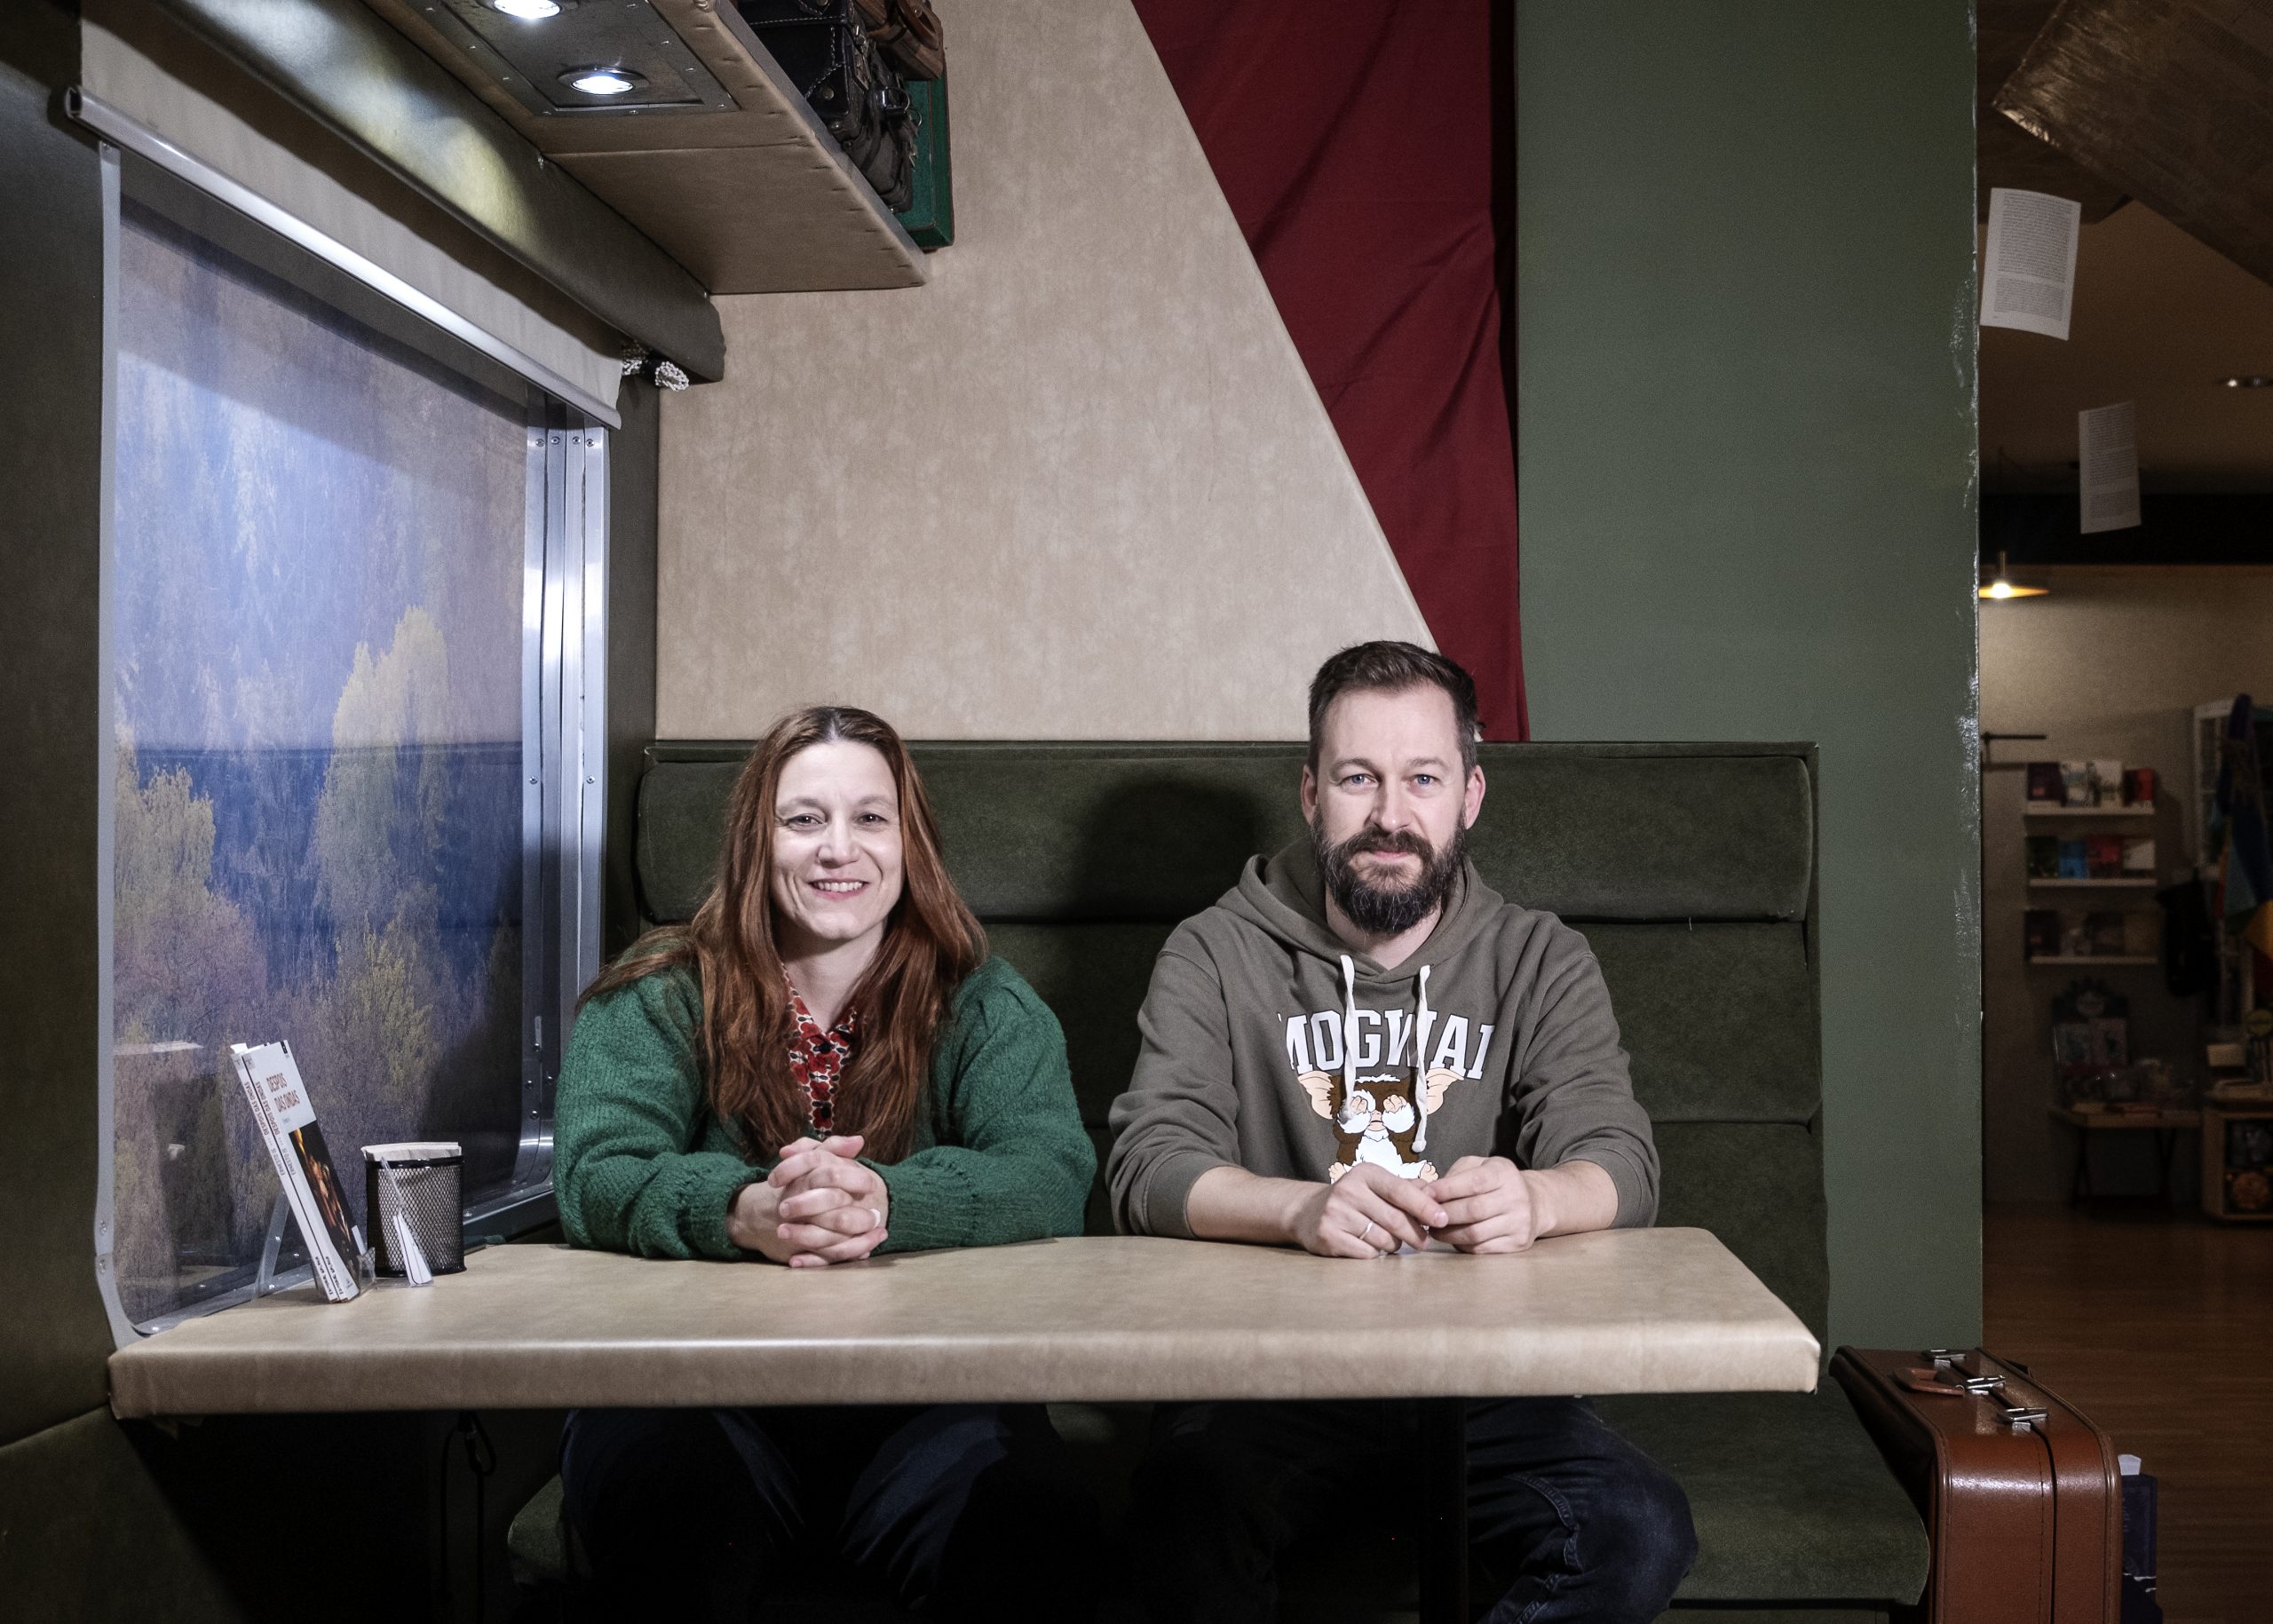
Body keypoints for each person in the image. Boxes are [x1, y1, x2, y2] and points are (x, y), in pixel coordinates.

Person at [1105, 641, 1697, 1624]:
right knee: (1179, 1514)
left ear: (1468, 794)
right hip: (1265, 1378)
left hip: (1489, 1384)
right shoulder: (1211, 949)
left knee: (1641, 1529)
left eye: (1421, 777)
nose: (1389, 814)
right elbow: (1147, 1166)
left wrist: (1537, 1195)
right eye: (1357, 778)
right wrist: (1301, 1208)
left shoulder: (1539, 956)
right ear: (1309, 793)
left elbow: (1620, 1161)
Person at [554, 704, 1099, 1622]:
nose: (836, 848)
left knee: (1031, 1528)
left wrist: (886, 1200)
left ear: (909, 841)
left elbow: (1050, 1170)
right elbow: (596, 1172)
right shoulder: (655, 994)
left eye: (869, 818)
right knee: (672, 1523)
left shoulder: (987, 1002)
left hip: (934, 1404)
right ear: (753, 841)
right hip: (691, 1391)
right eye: (803, 819)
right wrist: (739, 1209)